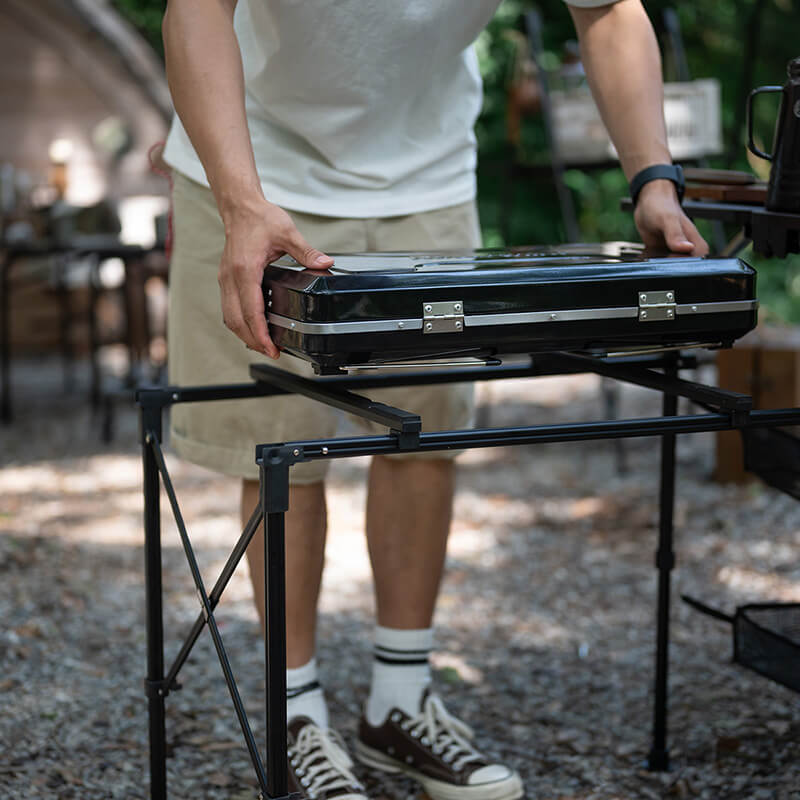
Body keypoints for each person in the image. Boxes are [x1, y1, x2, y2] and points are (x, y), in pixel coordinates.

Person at [161, 1, 708, 798]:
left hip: (426, 177)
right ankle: (295, 714)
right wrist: (241, 200)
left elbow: (610, 10)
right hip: (253, 173)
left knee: (423, 443)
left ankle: (399, 702)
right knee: (282, 455)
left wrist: (653, 179)